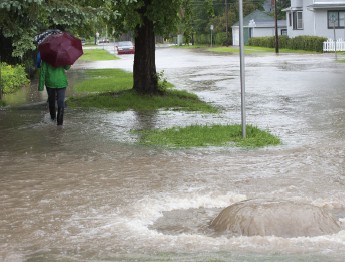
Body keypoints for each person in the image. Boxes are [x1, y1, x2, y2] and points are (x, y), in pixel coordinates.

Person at [38, 60, 70, 125]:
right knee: (61, 102)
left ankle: (53, 120)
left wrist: (40, 86)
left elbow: (43, 72)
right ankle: (60, 124)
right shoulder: (62, 56)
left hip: (50, 83)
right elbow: (67, 67)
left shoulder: (46, 59)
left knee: (51, 101)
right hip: (61, 82)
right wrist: (68, 61)